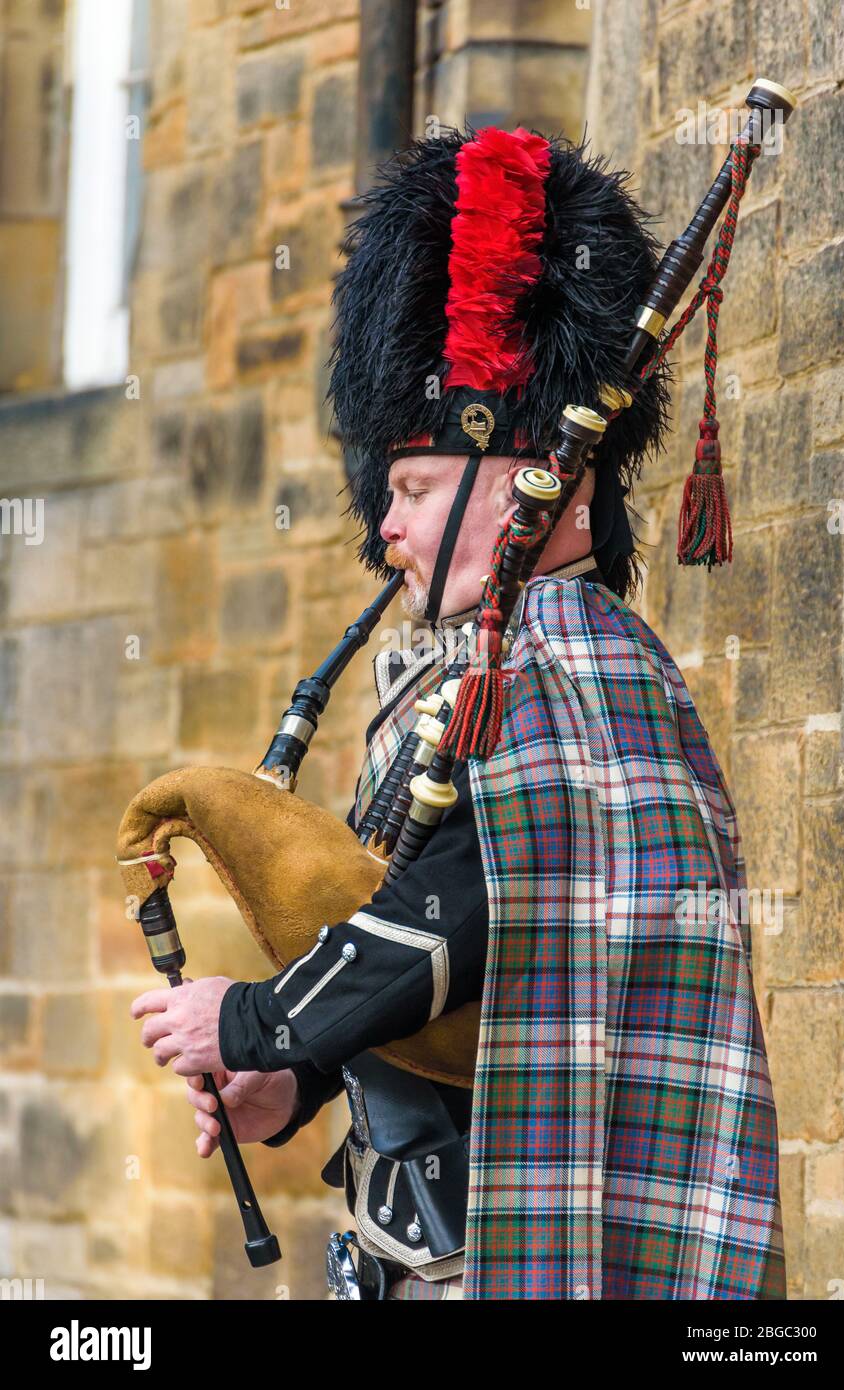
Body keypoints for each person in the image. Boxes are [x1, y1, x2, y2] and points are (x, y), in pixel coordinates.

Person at [131, 125, 786, 1301]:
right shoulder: (455, 675)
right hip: (404, 1242)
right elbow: (440, 976)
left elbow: (479, 905)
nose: (385, 527)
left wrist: (263, 1023)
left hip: (524, 1235)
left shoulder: (580, 658)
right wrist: (300, 1082)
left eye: (418, 489)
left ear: (539, 486)